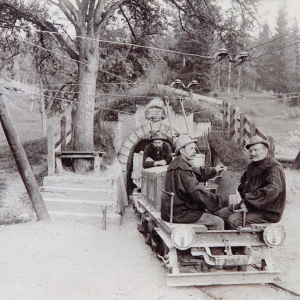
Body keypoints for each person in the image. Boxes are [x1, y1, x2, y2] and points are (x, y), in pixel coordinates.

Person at [216, 136, 286, 229]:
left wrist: (248, 202)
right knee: (220, 214)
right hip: (252, 206)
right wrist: (244, 201)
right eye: (250, 151)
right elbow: (243, 184)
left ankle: (239, 243)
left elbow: (271, 192)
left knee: (233, 220)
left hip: (267, 212)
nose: (252, 153)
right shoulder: (252, 165)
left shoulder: (273, 167)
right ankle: (224, 241)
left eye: (256, 150)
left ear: (265, 151)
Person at [160, 134, 228, 230]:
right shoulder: (183, 169)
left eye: (194, 149)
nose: (194, 152)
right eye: (191, 149)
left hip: (171, 212)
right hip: (181, 214)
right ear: (182, 151)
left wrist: (213, 170)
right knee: (218, 221)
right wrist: (223, 201)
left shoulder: (177, 164)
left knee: (209, 212)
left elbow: (197, 172)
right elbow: (198, 193)